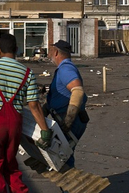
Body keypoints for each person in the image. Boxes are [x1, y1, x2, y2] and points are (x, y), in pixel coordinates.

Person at [0, 33, 52, 193]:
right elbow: (34, 105)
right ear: (16, 50)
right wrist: (45, 130)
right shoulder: (27, 72)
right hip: (14, 125)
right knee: (10, 163)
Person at [45, 40, 88, 168]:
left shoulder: (66, 69)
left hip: (69, 120)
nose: (49, 54)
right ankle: (69, 187)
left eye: (51, 51)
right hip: (67, 117)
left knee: (63, 157)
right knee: (62, 155)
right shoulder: (63, 69)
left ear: (56, 52)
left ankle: (70, 188)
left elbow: (78, 91)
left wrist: (68, 120)